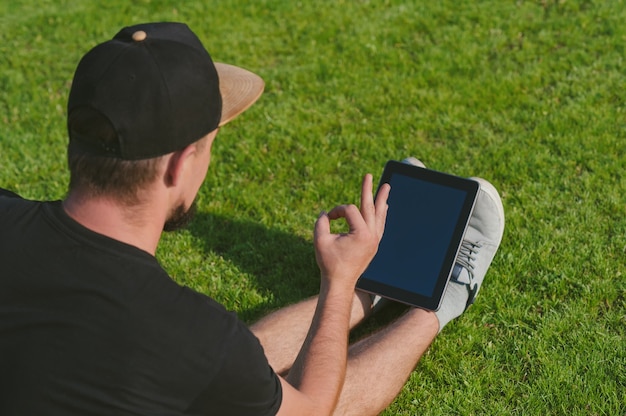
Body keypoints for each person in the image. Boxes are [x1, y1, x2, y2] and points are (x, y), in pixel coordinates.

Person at [0, 22, 505, 416]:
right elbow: (308, 407)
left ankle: (375, 288)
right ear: (180, 164)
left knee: (235, 367)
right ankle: (440, 301)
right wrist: (337, 282)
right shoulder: (187, 332)